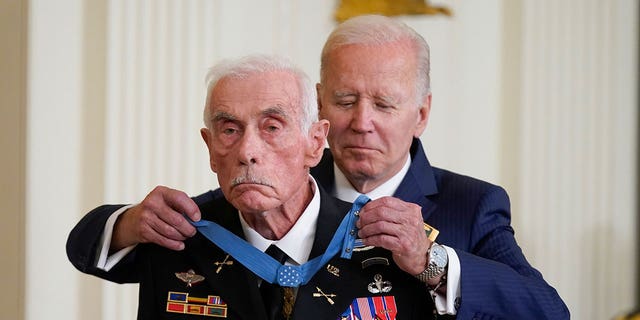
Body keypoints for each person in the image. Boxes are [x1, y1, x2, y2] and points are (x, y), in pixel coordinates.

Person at [68, 15, 569, 319]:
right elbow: (107, 242)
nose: (361, 123)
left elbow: (548, 312)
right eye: (344, 100)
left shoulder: (472, 206)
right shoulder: (266, 180)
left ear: (422, 114)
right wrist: (129, 221)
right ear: (318, 119)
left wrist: (430, 260)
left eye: (385, 105)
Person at [68, 54, 440, 319]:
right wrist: (129, 221)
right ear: (211, 148)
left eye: (272, 127)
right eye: (229, 130)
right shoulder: (180, 234)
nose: (247, 151)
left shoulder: (382, 241)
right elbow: (83, 244)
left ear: (314, 142)